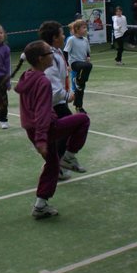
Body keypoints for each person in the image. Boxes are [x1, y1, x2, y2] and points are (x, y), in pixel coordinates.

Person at [13, 40, 90, 219]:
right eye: (50, 53)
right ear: (41, 59)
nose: (53, 55)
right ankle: (69, 157)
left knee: (52, 164)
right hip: (46, 128)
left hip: (32, 129)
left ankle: (40, 205)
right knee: (83, 120)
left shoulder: (27, 76)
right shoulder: (43, 82)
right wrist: (41, 140)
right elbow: (41, 112)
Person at [38, 21, 83, 178]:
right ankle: (56, 165)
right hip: (53, 104)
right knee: (70, 127)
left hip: (58, 102)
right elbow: (52, 87)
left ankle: (56, 165)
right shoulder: (49, 57)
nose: (64, 36)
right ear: (54, 38)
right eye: (62, 34)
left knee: (62, 133)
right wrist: (67, 96)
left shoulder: (56, 52)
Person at [64, 19, 93, 114]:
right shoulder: (71, 39)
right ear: (77, 29)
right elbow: (65, 52)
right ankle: (78, 81)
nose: (86, 29)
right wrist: (67, 65)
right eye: (83, 27)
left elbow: (88, 51)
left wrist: (88, 56)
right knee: (86, 66)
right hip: (74, 63)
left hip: (83, 64)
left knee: (81, 87)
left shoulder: (85, 40)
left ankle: (79, 106)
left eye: (86, 27)